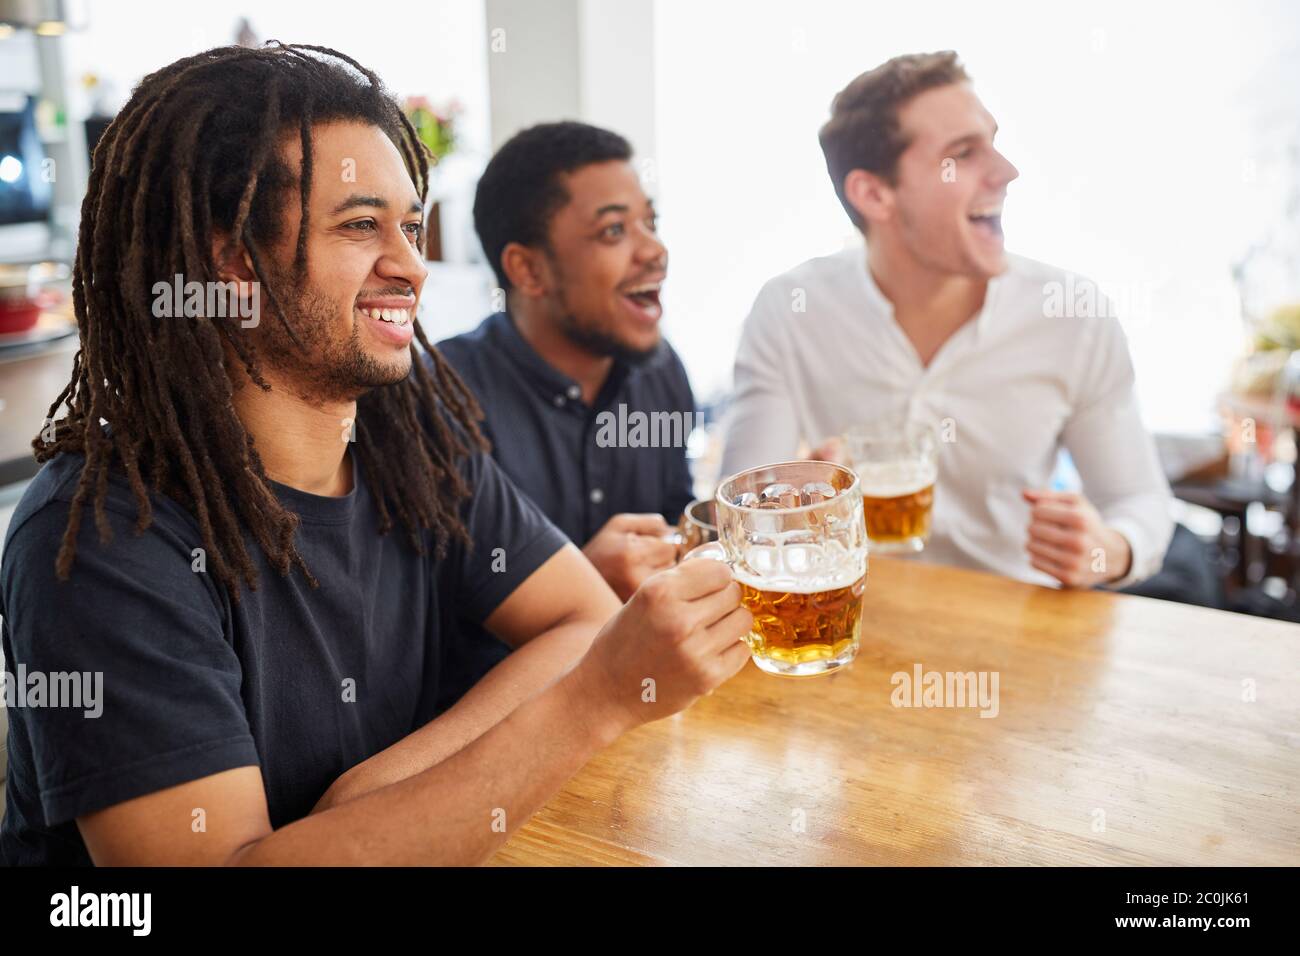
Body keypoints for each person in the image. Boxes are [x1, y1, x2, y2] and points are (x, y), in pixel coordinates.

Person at [0, 44, 751, 866]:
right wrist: (593, 702)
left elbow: (580, 616)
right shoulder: (109, 535)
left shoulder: (405, 434)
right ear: (233, 264)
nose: (411, 267)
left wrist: (365, 797)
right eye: (362, 226)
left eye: (411, 226)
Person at [720, 51, 1173, 590]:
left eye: (994, 142)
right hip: (853, 629)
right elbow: (742, 519)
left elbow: (1138, 500)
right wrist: (794, 506)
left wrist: (1110, 548)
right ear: (874, 194)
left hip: (1022, 634)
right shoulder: (788, 310)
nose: (1007, 171)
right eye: (964, 154)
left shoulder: (1072, 314)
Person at [438, 122, 694, 605]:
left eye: (650, 223)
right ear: (529, 270)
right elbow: (435, 633)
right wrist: (578, 591)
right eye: (614, 230)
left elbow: (680, 527)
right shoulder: (441, 400)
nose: (655, 251)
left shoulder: (660, 371)